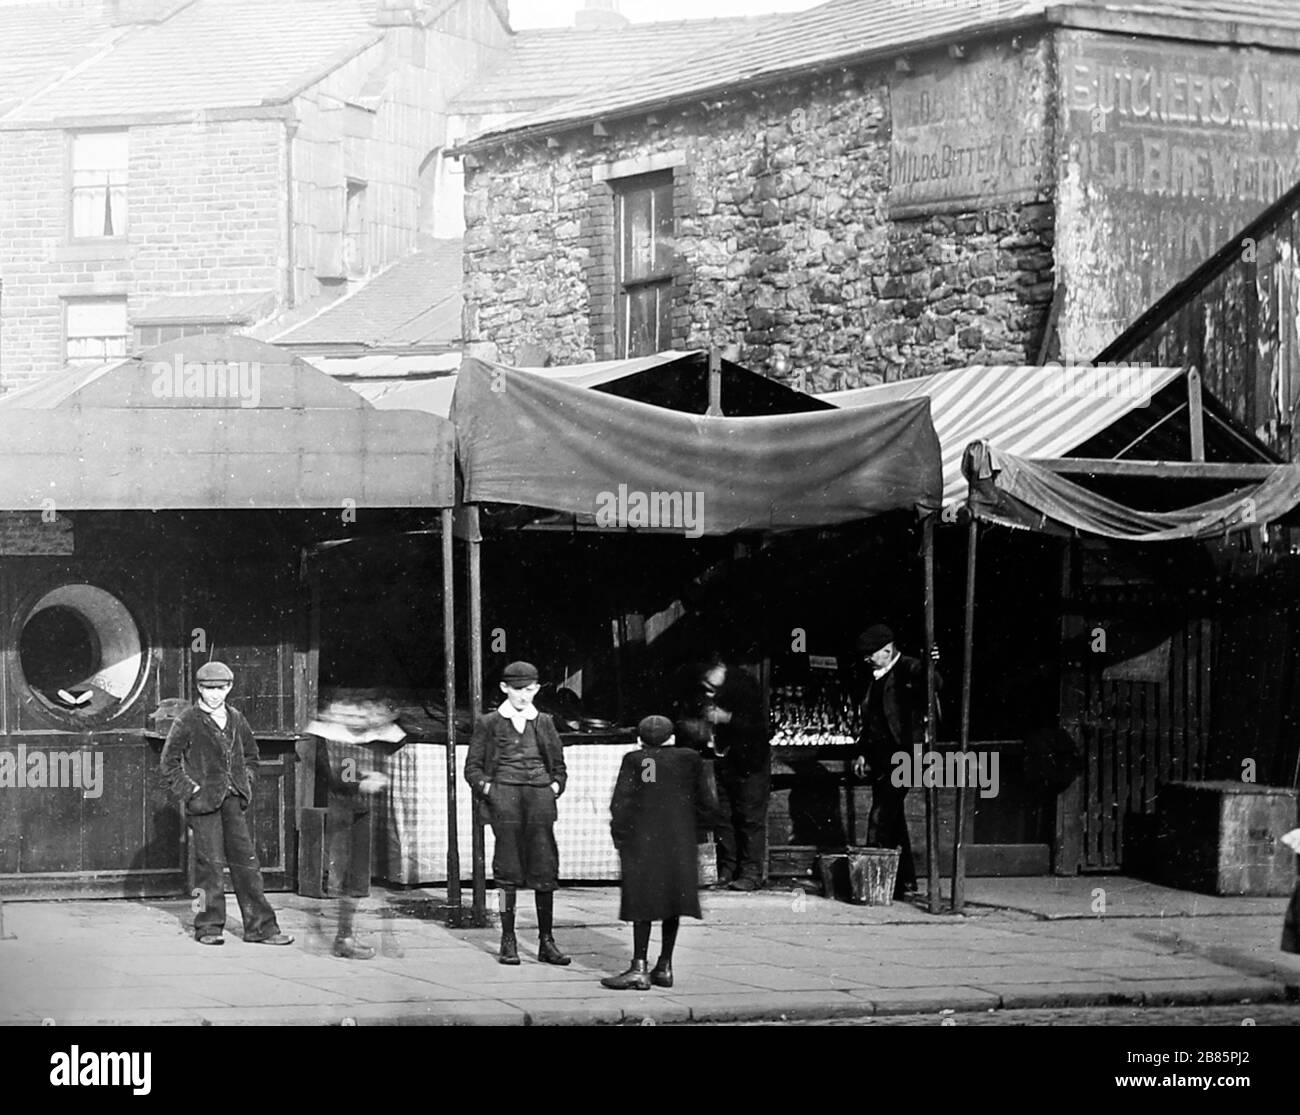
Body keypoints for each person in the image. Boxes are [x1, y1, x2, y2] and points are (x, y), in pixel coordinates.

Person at [160, 661, 294, 946]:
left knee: (247, 864)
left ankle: (262, 928)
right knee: (208, 866)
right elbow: (169, 763)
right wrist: (192, 790)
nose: (214, 694)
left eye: (220, 688)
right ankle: (206, 927)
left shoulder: (236, 718)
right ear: (198, 688)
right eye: (208, 688)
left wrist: (245, 782)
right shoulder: (187, 720)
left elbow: (251, 756)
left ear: (230, 688)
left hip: (232, 801)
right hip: (204, 804)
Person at [465, 660, 570, 966]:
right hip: (505, 797)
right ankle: (508, 939)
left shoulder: (545, 721)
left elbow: (559, 766)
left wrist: (553, 787)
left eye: (530, 690)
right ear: (504, 688)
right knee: (507, 868)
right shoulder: (490, 723)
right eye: (518, 690)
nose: (524, 696)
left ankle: (546, 941)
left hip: (539, 798)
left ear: (537, 688)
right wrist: (491, 791)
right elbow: (472, 767)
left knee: (544, 866)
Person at [602, 715, 718, 990]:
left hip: (642, 842)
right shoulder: (690, 759)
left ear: (641, 740)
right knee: (672, 901)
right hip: (679, 842)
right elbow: (707, 804)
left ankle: (639, 967)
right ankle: (664, 966)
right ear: (672, 738)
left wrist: (620, 837)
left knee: (642, 901)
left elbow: (623, 804)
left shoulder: (640, 760)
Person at [304, 694, 400, 960]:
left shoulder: (358, 737)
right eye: (350, 714)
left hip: (358, 811)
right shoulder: (327, 738)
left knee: (356, 876)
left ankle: (345, 934)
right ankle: (342, 938)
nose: (357, 719)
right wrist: (363, 781)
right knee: (346, 874)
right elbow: (337, 775)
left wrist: (369, 776)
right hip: (340, 812)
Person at [851, 624, 941, 900]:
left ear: (887, 649)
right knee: (894, 815)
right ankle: (904, 881)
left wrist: (930, 664)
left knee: (881, 814)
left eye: (871, 654)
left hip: (906, 755)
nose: (867, 659)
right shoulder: (874, 678)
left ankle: (874, 880)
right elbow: (871, 721)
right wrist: (864, 752)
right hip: (882, 757)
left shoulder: (908, 668)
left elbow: (933, 682)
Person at [703, 653, 770, 891]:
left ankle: (751, 873)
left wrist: (726, 718)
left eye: (712, 687)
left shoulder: (746, 695)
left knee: (749, 818)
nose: (709, 692)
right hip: (725, 762)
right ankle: (728, 869)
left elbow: (757, 727)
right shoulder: (717, 696)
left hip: (750, 764)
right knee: (724, 818)